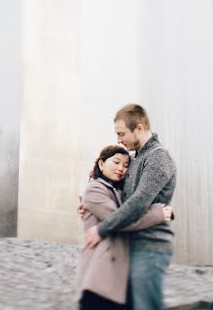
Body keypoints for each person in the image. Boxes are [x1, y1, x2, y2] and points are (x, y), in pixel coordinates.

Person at [84, 104, 177, 310]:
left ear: (140, 128)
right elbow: (120, 194)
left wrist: (103, 228)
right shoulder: (136, 158)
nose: (119, 140)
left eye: (121, 133)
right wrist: (88, 202)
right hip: (131, 247)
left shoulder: (158, 157)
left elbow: (138, 203)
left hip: (150, 247)